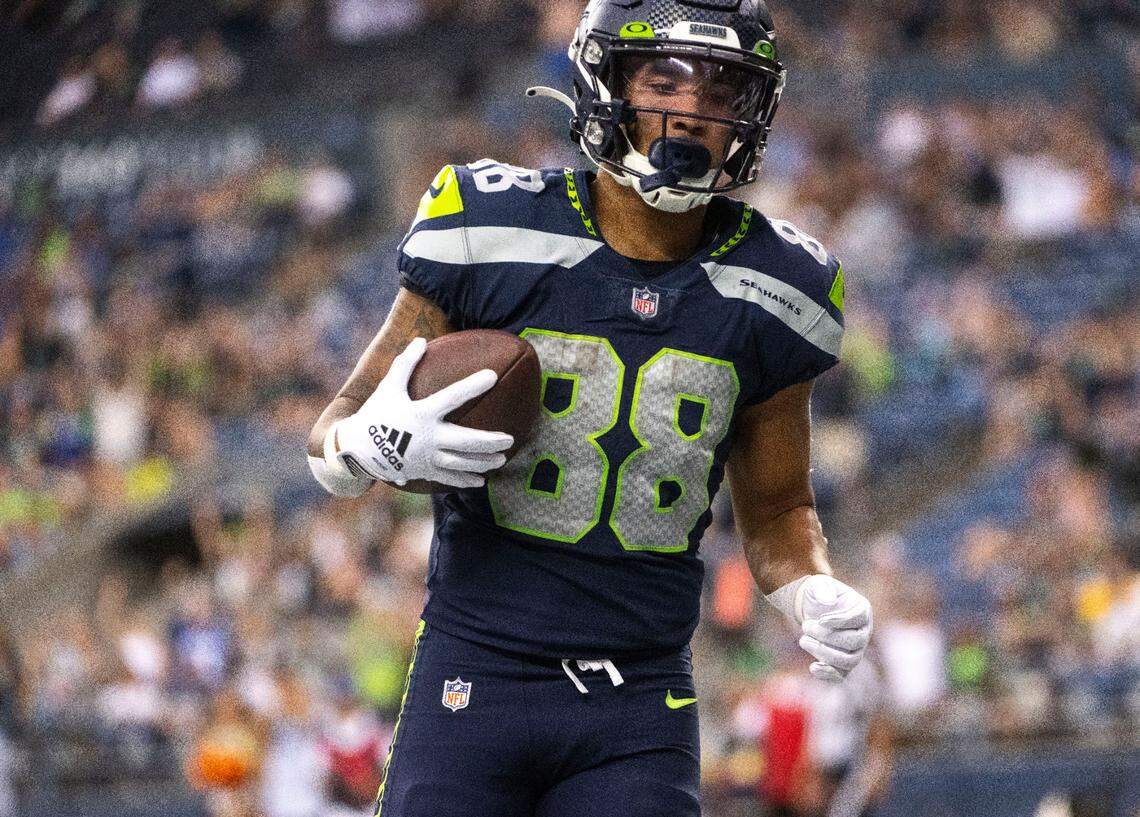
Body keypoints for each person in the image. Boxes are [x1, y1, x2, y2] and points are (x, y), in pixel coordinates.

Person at [307, 2, 873, 815]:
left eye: (721, 89)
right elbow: (332, 429)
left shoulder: (782, 286)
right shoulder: (487, 223)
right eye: (663, 78)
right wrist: (367, 444)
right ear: (605, 82)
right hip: (476, 670)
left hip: (638, 699)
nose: (692, 110)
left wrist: (810, 583)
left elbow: (780, 506)